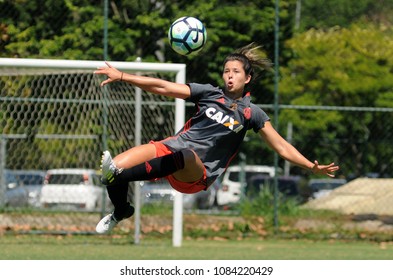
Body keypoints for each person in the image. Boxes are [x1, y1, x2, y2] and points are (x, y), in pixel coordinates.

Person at [93, 43, 340, 234]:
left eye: (235, 72)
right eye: (226, 71)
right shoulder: (209, 93)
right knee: (114, 167)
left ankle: (121, 175)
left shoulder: (252, 114)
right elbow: (164, 87)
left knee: (182, 156)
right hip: (171, 150)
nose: (229, 76)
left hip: (196, 174)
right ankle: (121, 210)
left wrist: (310, 166)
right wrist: (124, 76)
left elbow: (282, 146)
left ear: (248, 78)